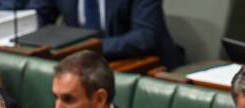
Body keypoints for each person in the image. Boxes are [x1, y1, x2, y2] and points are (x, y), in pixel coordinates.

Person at [32, 0, 184, 69]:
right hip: (83, 67)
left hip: (142, 66)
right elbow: (38, 15)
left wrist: (86, 49)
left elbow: (145, 37)